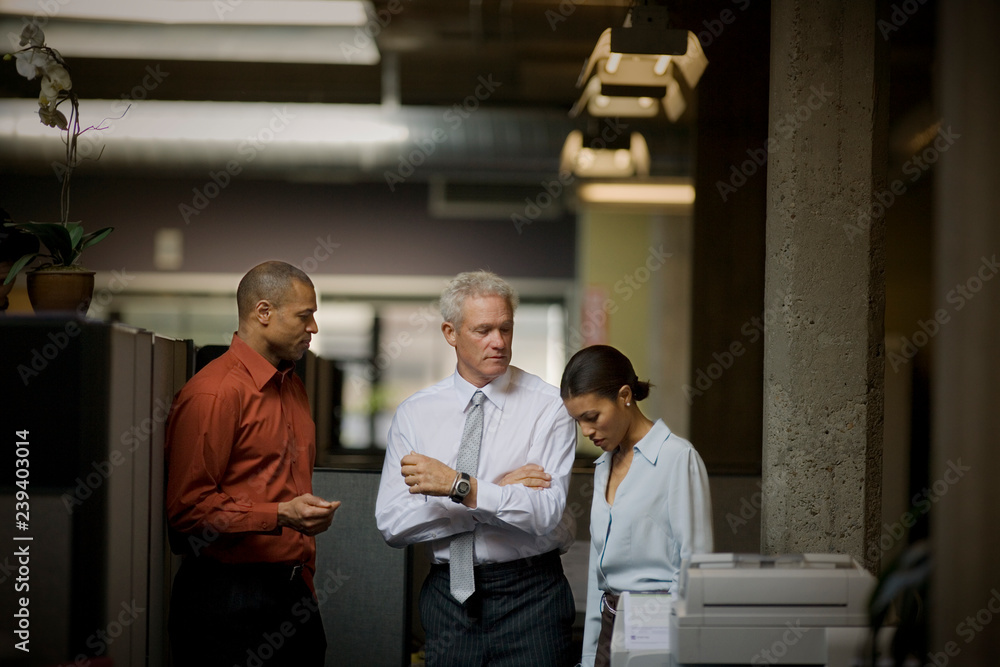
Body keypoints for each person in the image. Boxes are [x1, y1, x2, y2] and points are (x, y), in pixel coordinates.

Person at [375, 270, 577, 667]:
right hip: (448, 598)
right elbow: (393, 524)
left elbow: (544, 513)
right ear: (450, 333)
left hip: (532, 596)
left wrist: (456, 485)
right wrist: (489, 492)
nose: (498, 342)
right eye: (483, 330)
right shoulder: (416, 414)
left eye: (506, 328)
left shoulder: (549, 407)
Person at [165, 260, 339, 667]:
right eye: (305, 315)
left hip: (292, 590)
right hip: (228, 597)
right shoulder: (214, 393)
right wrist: (280, 514)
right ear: (264, 312)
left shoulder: (293, 386)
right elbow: (187, 510)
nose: (313, 327)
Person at [560, 345, 713, 667]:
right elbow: (596, 573)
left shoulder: (677, 458)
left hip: (658, 625)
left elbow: (695, 566)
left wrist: (681, 650)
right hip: (609, 623)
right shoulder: (603, 465)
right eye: (578, 421)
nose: (586, 432)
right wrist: (589, 656)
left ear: (625, 395)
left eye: (592, 417)